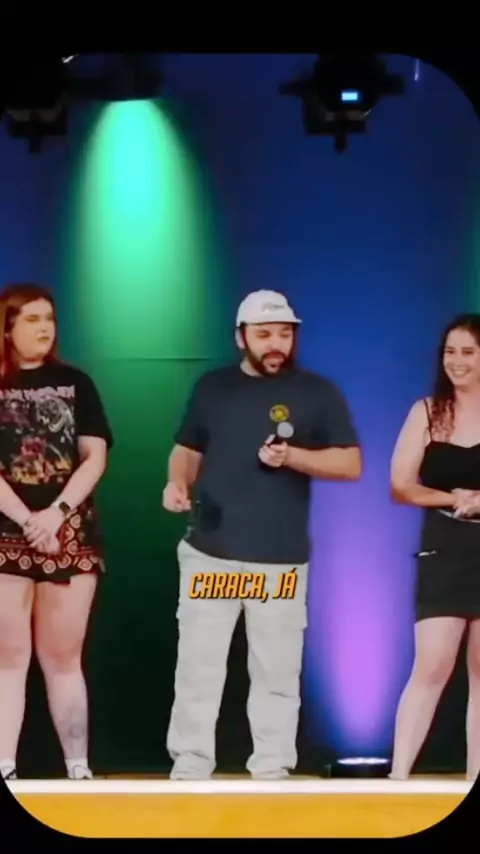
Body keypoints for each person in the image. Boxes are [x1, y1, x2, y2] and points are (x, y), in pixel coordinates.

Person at [162, 289, 362, 780]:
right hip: (212, 553)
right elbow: (186, 448)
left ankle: (272, 770)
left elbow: (350, 463)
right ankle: (190, 765)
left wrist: (294, 457)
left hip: (279, 559)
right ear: (241, 337)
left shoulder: (317, 392)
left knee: (276, 672)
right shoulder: (213, 388)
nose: (276, 344)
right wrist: (177, 482)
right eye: (265, 333)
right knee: (199, 666)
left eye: (285, 334)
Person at [0, 283, 113, 781]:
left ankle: (78, 767)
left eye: (49, 318)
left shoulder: (75, 383)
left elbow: (95, 457)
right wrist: (28, 519)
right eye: (31, 319)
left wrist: (56, 514)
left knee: (64, 657)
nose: (44, 328)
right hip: (6, 532)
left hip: (69, 533)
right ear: (7, 328)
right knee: (7, 658)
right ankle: (4, 764)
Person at [389, 313, 480, 783]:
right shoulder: (426, 411)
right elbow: (401, 486)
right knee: (431, 665)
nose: (456, 361)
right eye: (450, 352)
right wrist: (454, 498)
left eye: (468, 352)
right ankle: (398, 777)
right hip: (444, 546)